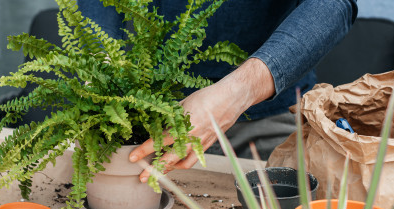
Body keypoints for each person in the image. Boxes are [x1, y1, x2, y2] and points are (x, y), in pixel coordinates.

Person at [78, 0, 358, 184]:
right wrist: (102, 63)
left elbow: (333, 4)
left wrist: (237, 92)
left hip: (268, 115)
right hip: (153, 115)